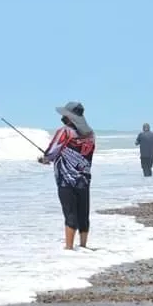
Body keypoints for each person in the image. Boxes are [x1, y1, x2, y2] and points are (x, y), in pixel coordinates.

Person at [38, 101, 95, 250]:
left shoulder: (65, 131)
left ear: (70, 118)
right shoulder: (90, 134)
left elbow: (52, 152)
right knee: (83, 213)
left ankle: (69, 248)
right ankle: (83, 246)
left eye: (64, 115)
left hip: (66, 180)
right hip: (84, 179)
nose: (62, 116)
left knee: (70, 213)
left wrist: (44, 159)